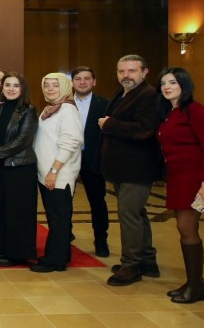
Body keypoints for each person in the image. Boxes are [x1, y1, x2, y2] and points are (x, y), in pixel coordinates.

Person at [157, 67, 204, 303]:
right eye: (163, 83)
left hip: (196, 179)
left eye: (173, 82)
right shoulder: (171, 112)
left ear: (184, 85)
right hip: (178, 178)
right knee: (184, 228)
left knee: (187, 228)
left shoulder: (196, 111)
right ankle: (194, 283)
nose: (167, 87)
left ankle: (196, 286)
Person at [100, 54, 162, 286]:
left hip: (137, 167)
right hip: (122, 167)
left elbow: (144, 130)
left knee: (129, 215)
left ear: (145, 72)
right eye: (121, 71)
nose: (126, 75)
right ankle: (147, 261)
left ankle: (131, 265)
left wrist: (109, 124)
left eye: (132, 71)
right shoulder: (122, 93)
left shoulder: (149, 96)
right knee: (137, 214)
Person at [0, 72, 38, 267]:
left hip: (19, 168)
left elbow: (22, 140)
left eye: (15, 85)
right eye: (7, 85)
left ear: (22, 89)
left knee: (17, 213)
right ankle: (1, 248)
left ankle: (17, 254)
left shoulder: (29, 110)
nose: (11, 89)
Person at [31, 73, 83, 273]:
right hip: (47, 175)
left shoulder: (68, 110)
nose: (50, 89)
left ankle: (54, 259)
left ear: (65, 88)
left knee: (59, 219)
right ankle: (62, 256)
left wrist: (54, 171)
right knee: (56, 218)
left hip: (58, 175)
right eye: (46, 85)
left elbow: (70, 143)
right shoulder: (51, 109)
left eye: (55, 85)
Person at [72, 66, 110, 257]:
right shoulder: (64, 103)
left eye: (87, 78)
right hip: (67, 160)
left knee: (97, 202)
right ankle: (65, 236)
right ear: (72, 82)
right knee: (64, 201)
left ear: (94, 81)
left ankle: (101, 240)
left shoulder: (105, 105)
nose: (82, 82)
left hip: (93, 160)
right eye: (78, 78)